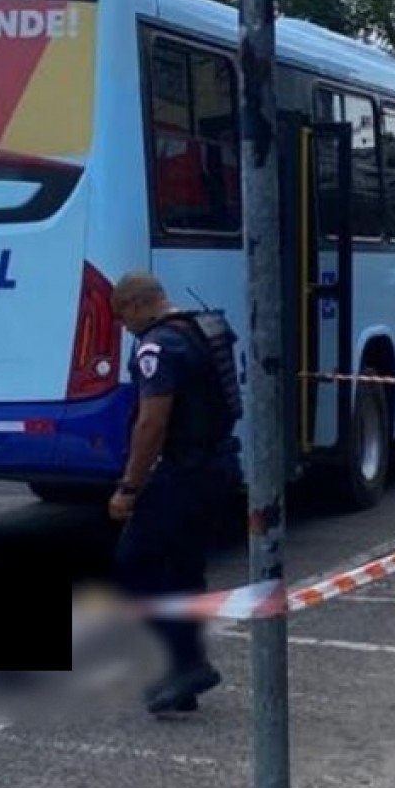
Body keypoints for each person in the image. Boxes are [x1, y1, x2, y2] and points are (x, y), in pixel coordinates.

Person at [107, 272, 242, 716]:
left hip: (181, 472)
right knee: (185, 570)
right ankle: (183, 675)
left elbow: (151, 424)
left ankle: (182, 664)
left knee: (134, 565)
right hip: (218, 466)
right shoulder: (205, 328)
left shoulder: (157, 347)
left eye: (123, 315)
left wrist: (129, 488)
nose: (124, 326)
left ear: (139, 303)